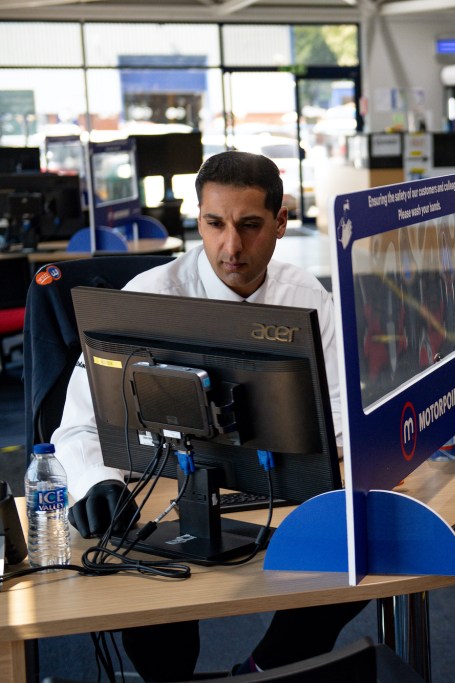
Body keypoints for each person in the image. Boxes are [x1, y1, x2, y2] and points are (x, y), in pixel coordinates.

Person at [50, 150, 365, 680]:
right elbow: (77, 426)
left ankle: (261, 670)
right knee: (155, 597)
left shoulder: (305, 298)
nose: (231, 246)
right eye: (214, 224)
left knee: (359, 559)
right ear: (198, 219)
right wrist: (94, 482)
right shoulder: (148, 298)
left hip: (276, 490)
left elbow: (340, 412)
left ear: (282, 223)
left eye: (249, 225)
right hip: (164, 497)